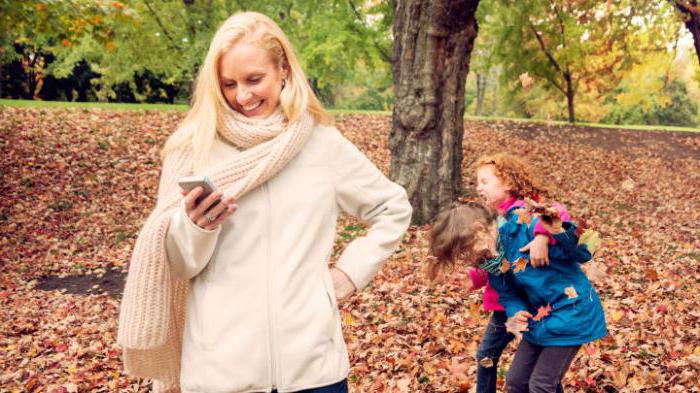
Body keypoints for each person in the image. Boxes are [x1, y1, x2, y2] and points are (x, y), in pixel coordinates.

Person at [117, 11, 412, 393]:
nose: (242, 95)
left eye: (254, 79)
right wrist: (196, 227)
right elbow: (178, 263)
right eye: (228, 84)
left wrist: (348, 275)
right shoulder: (194, 148)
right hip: (219, 372)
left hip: (314, 369)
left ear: (283, 70)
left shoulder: (320, 143)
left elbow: (392, 208)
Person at [428, 201, 605, 393]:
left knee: (541, 385)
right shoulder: (493, 261)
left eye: (467, 250)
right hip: (540, 319)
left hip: (572, 313)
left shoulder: (524, 228)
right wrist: (516, 311)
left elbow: (581, 250)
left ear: (479, 229)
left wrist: (549, 234)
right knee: (515, 381)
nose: (470, 259)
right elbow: (508, 293)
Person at [428, 153, 566, 393]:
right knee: (497, 358)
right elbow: (500, 263)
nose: (479, 187)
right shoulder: (496, 219)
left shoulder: (521, 212)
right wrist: (475, 277)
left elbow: (559, 212)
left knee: (531, 368)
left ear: (509, 182)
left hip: (528, 302)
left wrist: (543, 236)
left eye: (485, 181)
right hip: (507, 304)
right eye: (477, 182)